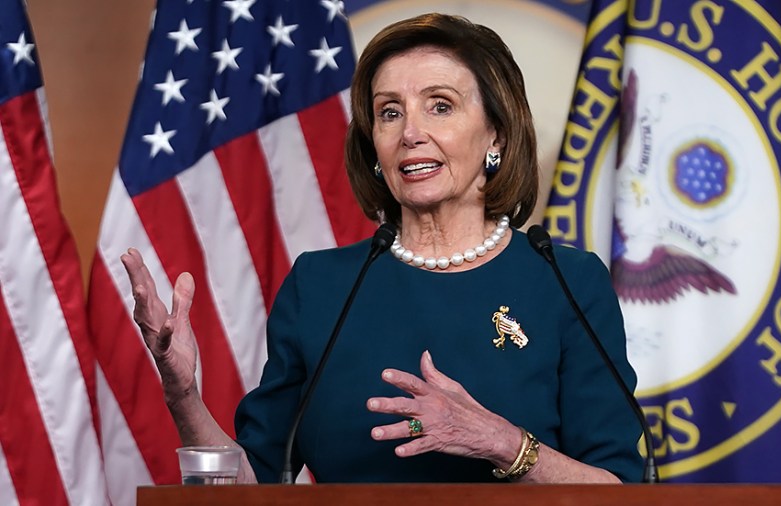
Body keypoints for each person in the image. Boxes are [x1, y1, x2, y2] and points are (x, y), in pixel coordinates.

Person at [122, 12, 642, 485]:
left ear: (497, 136)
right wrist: (182, 392)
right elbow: (252, 485)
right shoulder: (321, 286)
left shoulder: (566, 281)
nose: (410, 132)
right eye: (389, 113)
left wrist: (500, 443)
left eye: (440, 106)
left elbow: (616, 491)